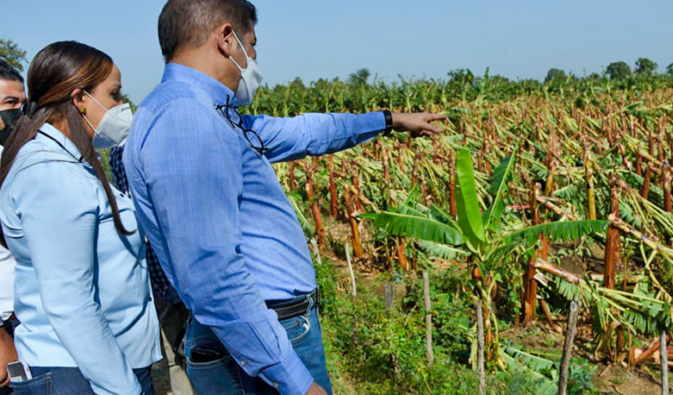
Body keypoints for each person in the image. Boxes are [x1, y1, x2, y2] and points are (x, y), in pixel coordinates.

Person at [125, 1, 446, 394]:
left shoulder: (213, 114)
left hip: (266, 334)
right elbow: (213, 275)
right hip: (257, 345)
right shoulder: (185, 119)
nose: (255, 57)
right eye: (252, 44)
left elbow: (305, 132)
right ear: (226, 38)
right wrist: (296, 383)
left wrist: (389, 120)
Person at [0, 41, 161, 395]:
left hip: (99, 367)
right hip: (83, 373)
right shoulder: (52, 176)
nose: (121, 106)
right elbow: (70, 303)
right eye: (115, 94)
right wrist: (124, 388)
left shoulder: (70, 163)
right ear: (80, 99)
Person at [110, 144, 195, 395]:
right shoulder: (128, 150)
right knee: (185, 353)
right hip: (172, 275)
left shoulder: (124, 149)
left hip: (166, 276)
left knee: (181, 356)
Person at [0, 59, 25, 394]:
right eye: (9, 104)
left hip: (27, 326)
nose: (20, 113)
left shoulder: (13, 158)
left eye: (22, 103)